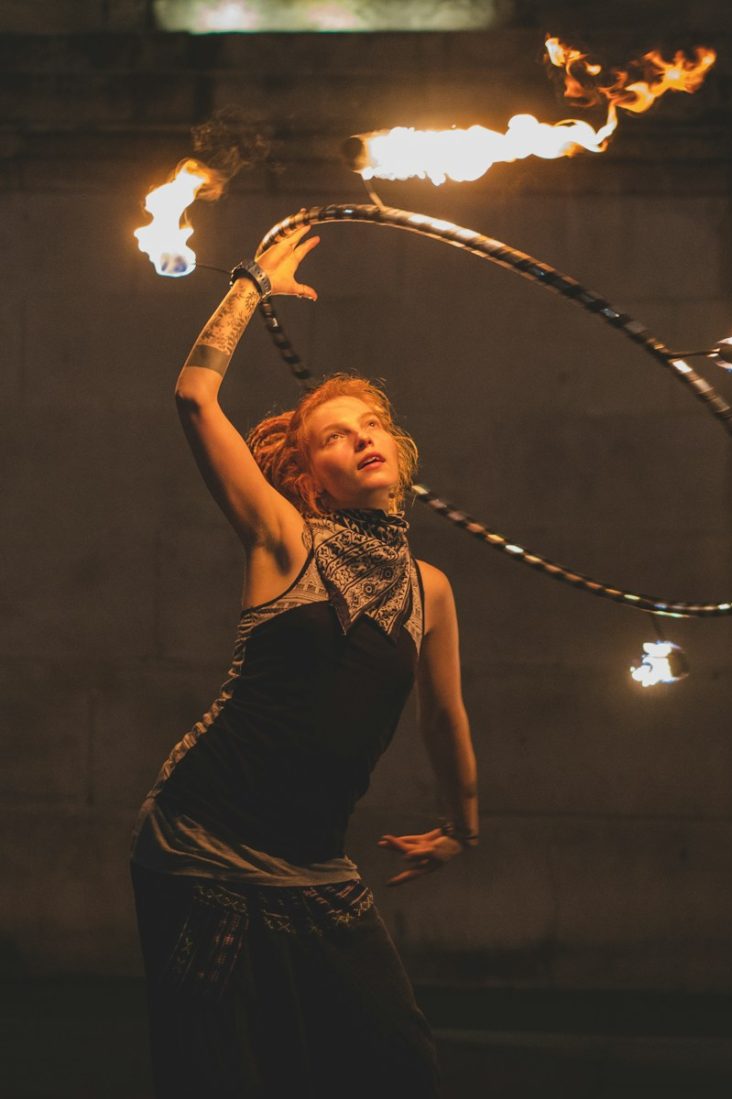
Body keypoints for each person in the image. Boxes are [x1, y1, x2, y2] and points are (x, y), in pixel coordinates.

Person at [130, 225, 478, 1098]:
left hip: (317, 865)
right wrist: (251, 285)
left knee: (399, 1066)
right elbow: (193, 399)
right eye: (334, 434)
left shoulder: (430, 588)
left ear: (397, 451)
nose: (362, 437)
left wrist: (463, 822)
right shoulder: (285, 539)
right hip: (200, 842)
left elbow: (443, 718)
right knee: (222, 1076)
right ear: (311, 477)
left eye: (373, 425)